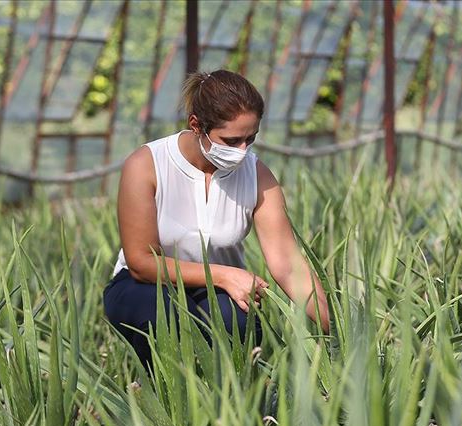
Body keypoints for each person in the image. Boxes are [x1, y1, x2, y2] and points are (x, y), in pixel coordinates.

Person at [103, 69, 331, 373]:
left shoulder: (257, 175)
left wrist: (337, 332)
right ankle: (157, 397)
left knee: (236, 319)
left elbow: (288, 265)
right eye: (231, 140)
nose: (242, 151)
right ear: (196, 125)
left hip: (218, 292)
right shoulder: (147, 164)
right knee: (163, 314)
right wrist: (223, 275)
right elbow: (142, 262)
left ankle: (230, 408)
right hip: (145, 286)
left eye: (250, 139)